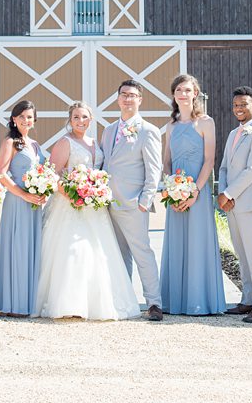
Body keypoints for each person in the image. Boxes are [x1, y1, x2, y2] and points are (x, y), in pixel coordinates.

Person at [34, 102, 140, 320]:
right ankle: (68, 303)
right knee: (73, 251)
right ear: (69, 120)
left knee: (99, 254)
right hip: (69, 204)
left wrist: (95, 192)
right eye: (76, 117)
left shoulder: (95, 143)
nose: (80, 121)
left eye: (84, 117)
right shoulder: (65, 142)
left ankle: (97, 304)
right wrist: (73, 195)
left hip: (94, 207)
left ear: (91, 120)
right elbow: (52, 174)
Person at [160, 74, 226, 316]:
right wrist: (171, 187)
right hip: (175, 193)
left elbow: (209, 160)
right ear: (174, 94)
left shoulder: (206, 122)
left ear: (195, 93)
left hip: (197, 191)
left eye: (188, 90)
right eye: (179, 89)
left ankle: (199, 302)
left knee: (198, 243)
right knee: (177, 244)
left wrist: (194, 191)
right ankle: (175, 301)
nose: (183, 94)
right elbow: (166, 161)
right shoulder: (171, 126)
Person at [99, 78, 164, 321]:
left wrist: (145, 199)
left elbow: (154, 168)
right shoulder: (108, 130)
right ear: (118, 99)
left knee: (142, 253)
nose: (127, 99)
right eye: (124, 94)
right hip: (108, 203)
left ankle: (154, 302)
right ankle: (124, 301)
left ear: (140, 100)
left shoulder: (148, 130)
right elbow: (105, 163)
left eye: (132, 95)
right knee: (117, 254)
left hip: (135, 202)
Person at [217, 86, 252, 323]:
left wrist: (229, 193)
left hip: (247, 203)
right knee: (241, 254)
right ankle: (247, 299)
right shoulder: (232, 134)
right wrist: (222, 193)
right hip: (231, 204)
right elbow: (224, 167)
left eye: (244, 104)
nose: (239, 109)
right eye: (236, 105)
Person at [0, 100, 47, 317]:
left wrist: (43, 191)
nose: (26, 120)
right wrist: (24, 194)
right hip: (17, 201)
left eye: (30, 117)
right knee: (17, 248)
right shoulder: (10, 142)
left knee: (31, 249)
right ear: (14, 119)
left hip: (34, 204)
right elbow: (0, 173)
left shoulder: (34, 145)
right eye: (22, 116)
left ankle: (28, 301)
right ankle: (14, 303)